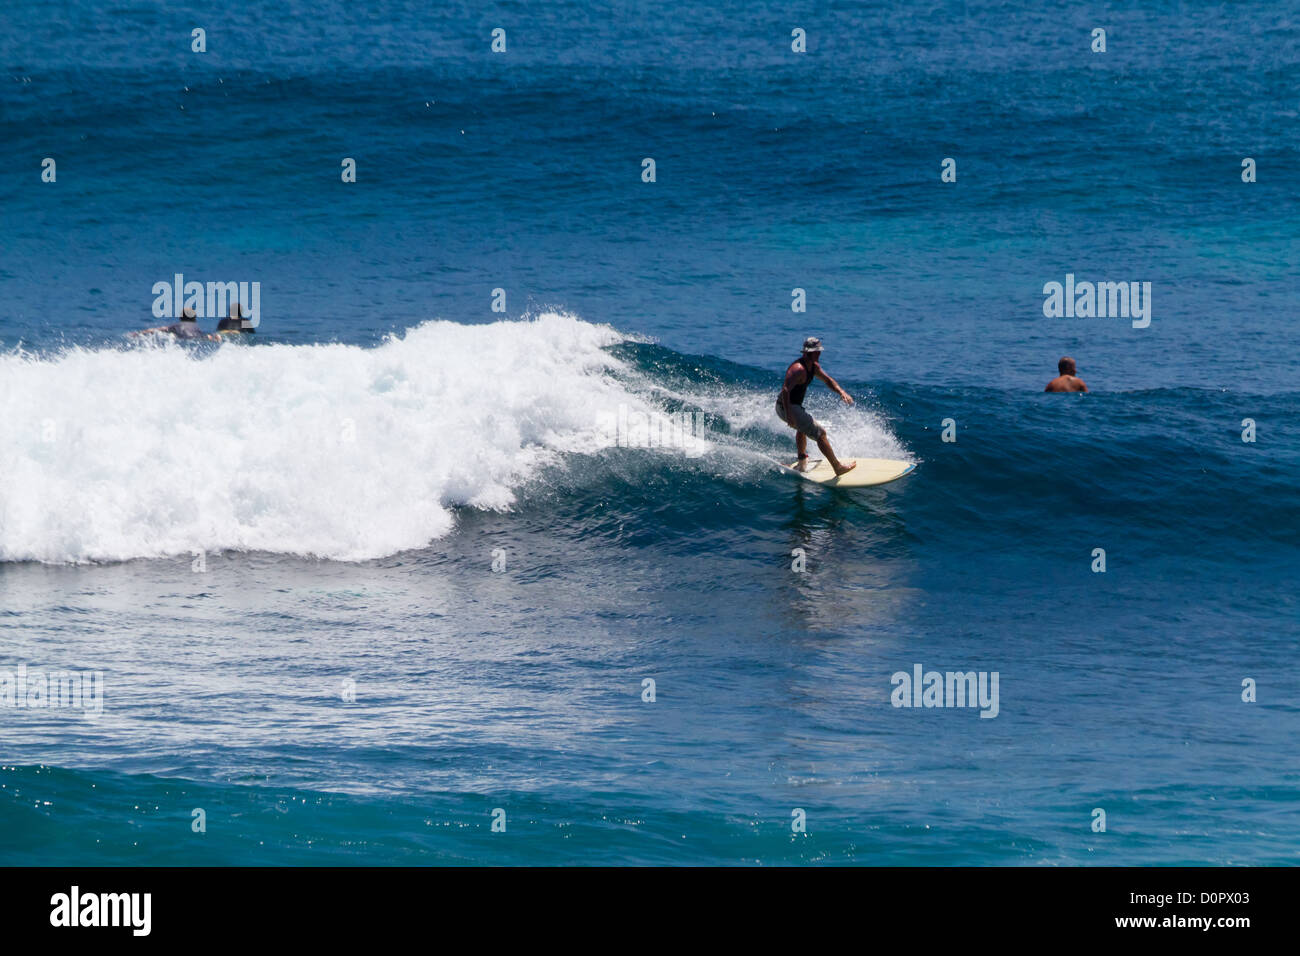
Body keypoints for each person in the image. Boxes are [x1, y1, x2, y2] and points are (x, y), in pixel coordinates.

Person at [776, 336, 856, 475]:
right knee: (820, 433)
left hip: (792, 406)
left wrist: (841, 392)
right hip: (786, 406)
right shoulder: (798, 369)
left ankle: (801, 463)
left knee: (803, 428)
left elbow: (828, 380)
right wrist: (789, 414)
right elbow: (785, 390)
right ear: (809, 353)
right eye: (817, 352)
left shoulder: (813, 367)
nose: (819, 354)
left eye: (819, 351)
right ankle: (838, 467)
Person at [132, 306, 214, 340]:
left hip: (185, 339)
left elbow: (156, 330)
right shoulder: (196, 327)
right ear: (194, 318)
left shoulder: (176, 326)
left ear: (180, 318)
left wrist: (139, 333)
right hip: (198, 337)